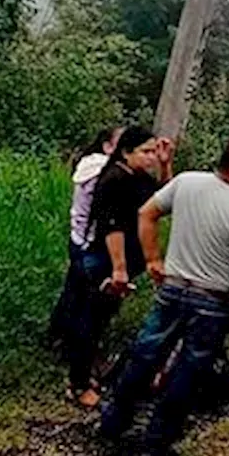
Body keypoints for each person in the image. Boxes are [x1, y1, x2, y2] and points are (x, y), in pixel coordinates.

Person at [99, 139, 229, 456]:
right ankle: (156, 441)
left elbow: (147, 213)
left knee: (145, 355)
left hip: (173, 290)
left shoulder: (186, 181)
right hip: (212, 300)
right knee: (188, 371)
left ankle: (113, 422)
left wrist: (153, 259)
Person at [66, 126, 174, 408]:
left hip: (123, 261)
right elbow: (112, 227)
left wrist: (165, 164)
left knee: (100, 319)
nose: (151, 157)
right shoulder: (115, 180)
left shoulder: (136, 177)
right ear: (126, 152)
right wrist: (119, 269)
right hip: (106, 260)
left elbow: (163, 199)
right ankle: (77, 385)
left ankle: (86, 375)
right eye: (146, 152)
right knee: (91, 320)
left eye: (153, 151)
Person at [48, 127, 119, 359]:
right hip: (92, 243)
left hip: (78, 238)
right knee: (89, 300)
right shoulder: (104, 173)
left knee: (73, 291)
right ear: (107, 146)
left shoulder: (88, 166)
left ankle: (57, 339)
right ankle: (74, 349)